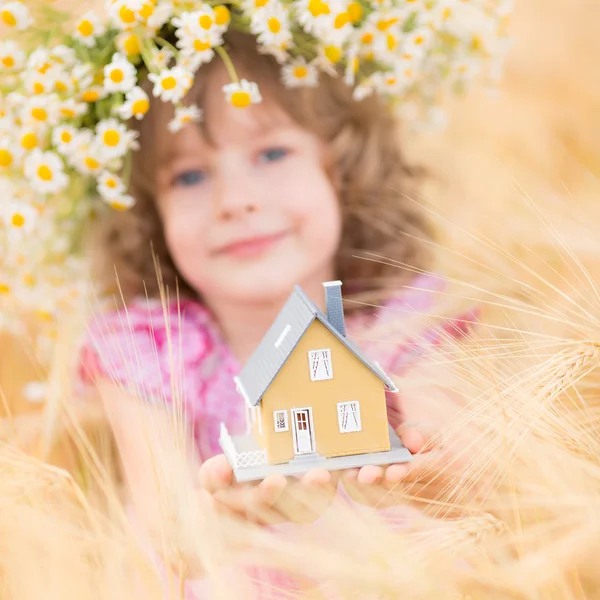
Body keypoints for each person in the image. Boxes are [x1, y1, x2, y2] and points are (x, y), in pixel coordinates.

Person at [78, 30, 476, 597]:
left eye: (271, 153)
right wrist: (224, 519)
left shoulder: (402, 323)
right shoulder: (149, 350)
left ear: (336, 170)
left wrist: (426, 474)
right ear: (151, 212)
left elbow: (455, 456)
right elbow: (165, 524)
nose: (235, 200)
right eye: (190, 175)